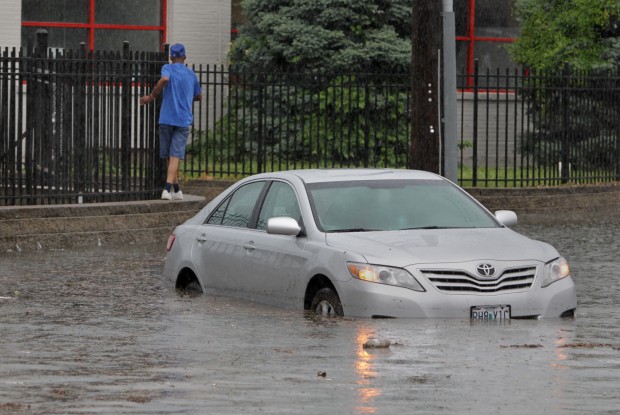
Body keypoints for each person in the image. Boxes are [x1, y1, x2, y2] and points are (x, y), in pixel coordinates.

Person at [140, 43, 202, 200]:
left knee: (170, 155)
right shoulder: (191, 74)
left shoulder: (167, 68)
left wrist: (152, 96)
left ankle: (166, 189)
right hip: (183, 120)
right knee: (174, 155)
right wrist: (188, 99)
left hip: (167, 117)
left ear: (171, 57)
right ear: (185, 57)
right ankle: (176, 189)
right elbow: (200, 96)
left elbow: (165, 79)